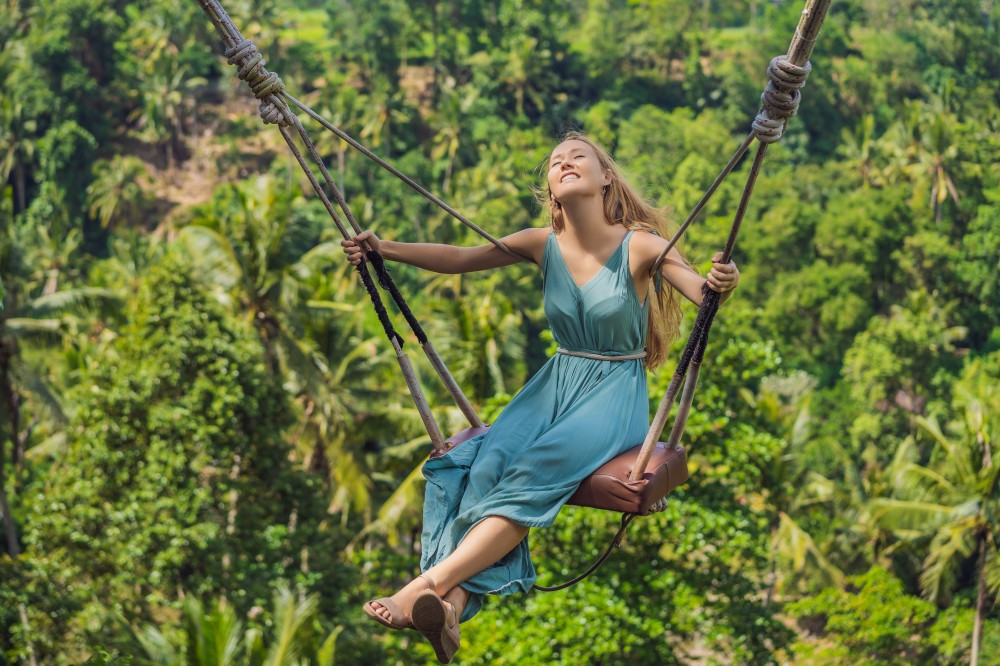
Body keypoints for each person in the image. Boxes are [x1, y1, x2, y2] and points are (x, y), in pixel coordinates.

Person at [341, 133, 739, 663]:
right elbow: (460, 258)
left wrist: (720, 281)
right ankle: (452, 608)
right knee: (485, 470)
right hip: (554, 383)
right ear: (552, 189)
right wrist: (381, 248)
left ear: (604, 180)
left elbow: (699, 291)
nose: (566, 163)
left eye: (579, 157)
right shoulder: (539, 242)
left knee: (531, 475)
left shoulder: (639, 245)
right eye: (557, 162)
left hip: (612, 391)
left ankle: (421, 587)